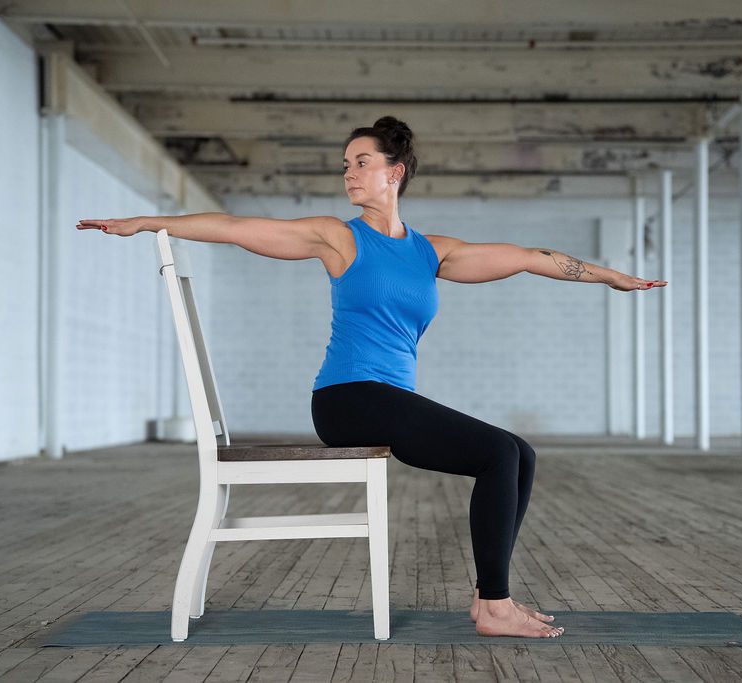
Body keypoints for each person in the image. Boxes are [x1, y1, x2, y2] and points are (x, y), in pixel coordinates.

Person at [77, 116, 666, 639]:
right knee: (496, 454)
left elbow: (532, 257)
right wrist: (146, 222)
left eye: (362, 163)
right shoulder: (337, 237)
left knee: (520, 453)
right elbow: (234, 225)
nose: (350, 175)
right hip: (347, 400)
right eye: (345, 166)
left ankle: (492, 596)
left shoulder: (430, 252)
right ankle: (494, 605)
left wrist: (612, 276)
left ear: (396, 172)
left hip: (390, 398)